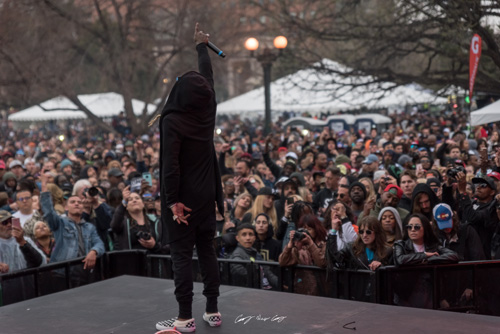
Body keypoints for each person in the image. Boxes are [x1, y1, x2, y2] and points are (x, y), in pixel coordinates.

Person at [156, 23, 223, 332]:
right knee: (206, 249)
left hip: (182, 197)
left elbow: (170, 166)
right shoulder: (207, 109)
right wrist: (201, 47)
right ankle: (212, 310)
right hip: (207, 194)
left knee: (181, 255)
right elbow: (206, 79)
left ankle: (185, 317)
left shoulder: (174, 121)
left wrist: (172, 202)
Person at [279, 214, 327, 295]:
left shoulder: (323, 245)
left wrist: (311, 244)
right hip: (303, 290)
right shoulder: (298, 247)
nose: (306, 232)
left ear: (316, 230)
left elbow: (321, 263)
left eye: (309, 229)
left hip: (321, 290)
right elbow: (282, 262)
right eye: (303, 229)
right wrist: (290, 245)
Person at [110, 186, 165, 253]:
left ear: (143, 204)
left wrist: (154, 245)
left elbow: (167, 245)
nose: (134, 200)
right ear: (126, 207)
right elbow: (114, 226)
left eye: (137, 198)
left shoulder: (156, 221)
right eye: (130, 199)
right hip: (130, 261)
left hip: (153, 262)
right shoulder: (123, 223)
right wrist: (124, 202)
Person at [229, 223, 278, 289]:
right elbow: (238, 270)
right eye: (244, 235)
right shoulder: (237, 254)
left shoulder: (255, 252)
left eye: (250, 234)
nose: (248, 238)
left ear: (254, 238)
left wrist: (279, 283)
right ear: (237, 238)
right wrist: (256, 276)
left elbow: (267, 271)